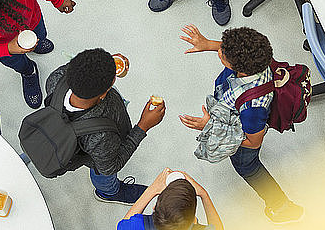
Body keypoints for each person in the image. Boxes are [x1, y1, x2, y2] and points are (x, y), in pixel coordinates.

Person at [178, 24, 304, 224]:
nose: (219, 51)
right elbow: (231, 49)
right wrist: (207, 44)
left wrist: (210, 126)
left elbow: (253, 142)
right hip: (233, 110)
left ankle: (281, 206)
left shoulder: (253, 107)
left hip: (243, 139)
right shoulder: (258, 57)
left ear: (241, 70)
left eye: (222, 53)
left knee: (249, 168)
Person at [45, 48, 166, 204]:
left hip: (71, 132)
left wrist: (105, 65)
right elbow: (110, 167)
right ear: (103, 94)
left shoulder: (56, 78)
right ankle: (108, 192)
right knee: (103, 175)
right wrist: (143, 126)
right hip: (96, 156)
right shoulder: (101, 136)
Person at [117, 168, 224, 230]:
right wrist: (203, 194)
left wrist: (151, 190)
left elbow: (124, 224)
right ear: (194, 220)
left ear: (154, 207)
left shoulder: (137, 225)